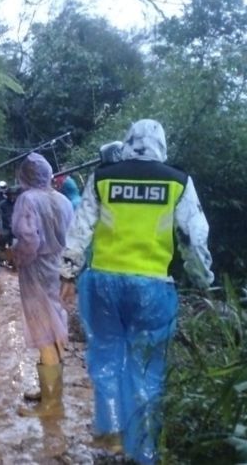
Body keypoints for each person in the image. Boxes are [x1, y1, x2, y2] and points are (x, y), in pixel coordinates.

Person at [60, 119, 214, 464]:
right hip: (152, 287)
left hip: (102, 283)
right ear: (161, 144)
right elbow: (193, 237)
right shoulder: (178, 181)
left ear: (128, 142)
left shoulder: (102, 177)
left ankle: (111, 446)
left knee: (105, 361)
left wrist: (68, 274)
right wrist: (202, 278)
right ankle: (142, 453)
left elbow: (80, 228)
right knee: (146, 370)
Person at [10, 154, 74, 418]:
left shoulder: (28, 200)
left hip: (37, 270)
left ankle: (50, 404)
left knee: (44, 332)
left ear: (24, 176)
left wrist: (14, 256)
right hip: (59, 268)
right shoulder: (64, 200)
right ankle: (51, 392)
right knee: (55, 327)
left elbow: (29, 241)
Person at [0, 186, 18, 268]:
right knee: (1, 242)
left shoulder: (18, 204)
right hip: (5, 227)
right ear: (7, 195)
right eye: (10, 195)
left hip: (15, 228)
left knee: (14, 246)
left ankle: (12, 261)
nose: (12, 196)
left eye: (13, 195)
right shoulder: (2, 204)